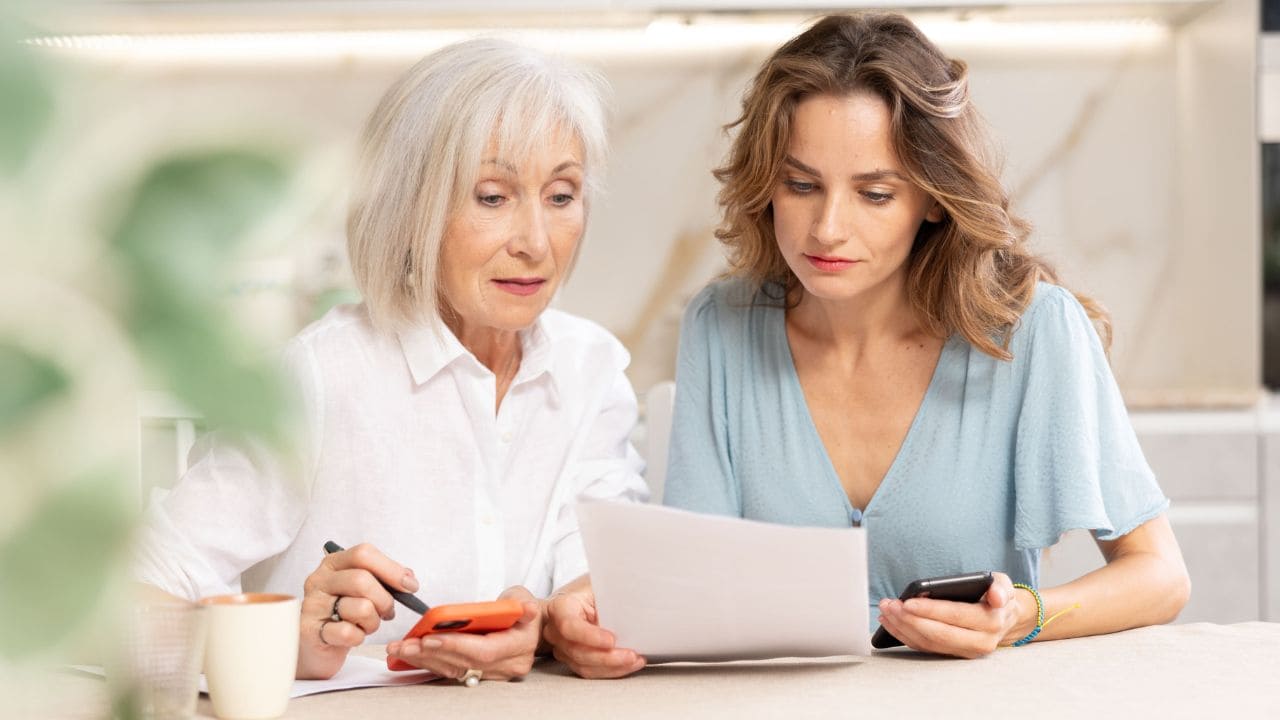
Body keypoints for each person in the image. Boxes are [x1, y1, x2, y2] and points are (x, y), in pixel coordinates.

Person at [544, 12, 1189, 676]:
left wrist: (1021, 617)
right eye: (801, 185)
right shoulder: (720, 324)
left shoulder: (1032, 330)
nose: (827, 228)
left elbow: (1160, 575)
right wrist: (597, 606)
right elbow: (693, 577)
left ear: (932, 199)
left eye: (874, 194)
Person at [133, 38, 648, 681]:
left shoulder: (591, 371)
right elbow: (130, 599)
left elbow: (602, 569)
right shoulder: (315, 379)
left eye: (561, 195)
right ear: (410, 207)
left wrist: (558, 621)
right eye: (492, 197)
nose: (536, 243)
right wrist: (288, 642)